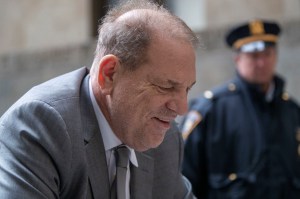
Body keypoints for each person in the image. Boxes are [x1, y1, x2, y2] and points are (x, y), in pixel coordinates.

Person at [0, 0, 199, 198]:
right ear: (109, 74)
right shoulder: (40, 125)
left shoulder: (166, 139)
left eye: (187, 89)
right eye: (166, 87)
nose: (182, 108)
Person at [180, 19, 300, 199]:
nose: (261, 63)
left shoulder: (291, 111)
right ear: (237, 59)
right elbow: (184, 178)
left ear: (275, 56)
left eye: (267, 54)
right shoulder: (212, 110)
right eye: (253, 56)